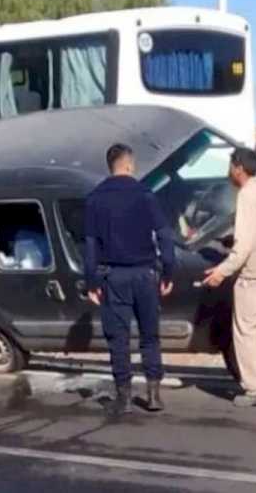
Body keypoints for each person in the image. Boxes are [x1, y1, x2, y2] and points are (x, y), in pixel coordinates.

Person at [85, 143, 175, 415]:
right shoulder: (145, 194)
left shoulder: (95, 199)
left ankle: (123, 396)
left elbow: (89, 245)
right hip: (146, 274)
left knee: (118, 337)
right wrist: (168, 271)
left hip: (113, 276)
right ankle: (154, 394)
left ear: (110, 165)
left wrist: (91, 282)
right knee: (150, 336)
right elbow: (165, 235)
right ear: (129, 165)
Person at [203, 148, 256, 408]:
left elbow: (245, 244)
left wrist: (221, 271)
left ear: (238, 167)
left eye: (231, 166)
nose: (229, 172)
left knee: (245, 332)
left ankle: (253, 389)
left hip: (253, 272)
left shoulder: (248, 195)